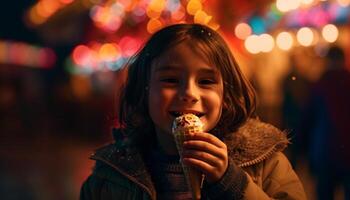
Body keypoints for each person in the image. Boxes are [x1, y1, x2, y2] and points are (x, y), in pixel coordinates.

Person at [80, 24, 306, 199]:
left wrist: (233, 184)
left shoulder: (265, 163)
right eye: (170, 79)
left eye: (206, 81)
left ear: (225, 96)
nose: (189, 93)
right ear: (144, 90)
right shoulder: (110, 177)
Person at [298, 46, 350, 200]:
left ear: (327, 61)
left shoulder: (319, 85)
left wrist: (301, 151)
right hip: (348, 152)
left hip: (325, 151)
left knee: (325, 194)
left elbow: (307, 119)